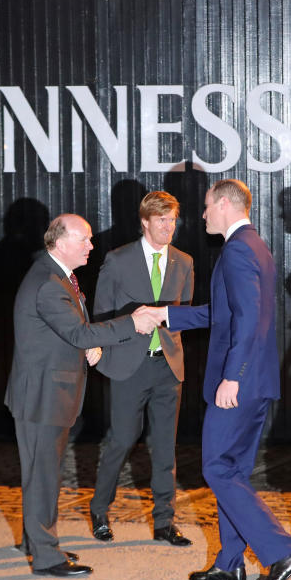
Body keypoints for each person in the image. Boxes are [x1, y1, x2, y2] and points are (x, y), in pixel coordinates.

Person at [143, 179, 291, 580]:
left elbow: (249, 322)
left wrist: (232, 376)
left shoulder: (236, 251)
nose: (202, 215)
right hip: (257, 381)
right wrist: (166, 315)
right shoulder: (255, 246)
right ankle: (229, 564)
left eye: (207, 207)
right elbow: (227, 313)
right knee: (231, 471)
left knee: (217, 469)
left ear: (225, 205)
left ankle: (281, 552)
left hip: (239, 382)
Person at [4, 213, 156, 577]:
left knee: (44, 473)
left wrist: (82, 344)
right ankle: (45, 556)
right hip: (42, 396)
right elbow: (79, 334)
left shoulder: (56, 276)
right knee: (43, 475)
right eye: (84, 239)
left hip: (48, 392)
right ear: (59, 241)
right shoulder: (48, 283)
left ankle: (37, 540)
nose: (92, 245)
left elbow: (67, 332)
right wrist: (132, 323)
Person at [89, 191, 195, 547]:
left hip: (167, 367)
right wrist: (103, 352)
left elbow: (186, 313)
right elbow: (101, 313)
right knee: (121, 440)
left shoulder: (184, 261)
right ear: (145, 222)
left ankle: (164, 521)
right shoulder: (117, 260)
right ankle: (100, 510)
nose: (169, 226)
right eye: (162, 220)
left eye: (173, 220)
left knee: (165, 447)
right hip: (128, 368)